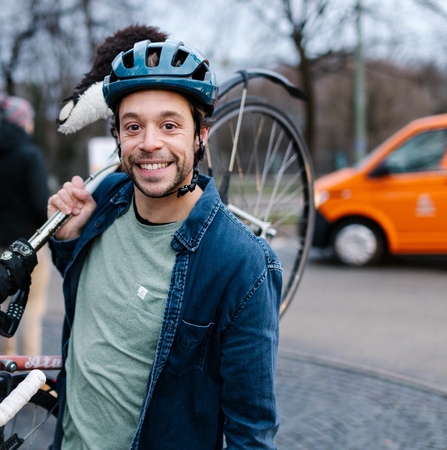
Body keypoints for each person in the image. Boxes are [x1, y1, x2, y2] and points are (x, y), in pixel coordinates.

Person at [47, 40, 283, 449]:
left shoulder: (241, 262)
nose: (149, 143)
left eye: (170, 125)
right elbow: (95, 310)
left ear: (200, 137)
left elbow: (252, 432)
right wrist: (67, 241)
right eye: (133, 126)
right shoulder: (105, 200)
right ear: (118, 135)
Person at [0, 93, 52, 356]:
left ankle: (5, 362)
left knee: (5, 302)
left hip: (3, 242)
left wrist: (3, 217)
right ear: (22, 122)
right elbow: (42, 204)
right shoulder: (30, 155)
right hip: (31, 243)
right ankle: (28, 371)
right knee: (31, 306)